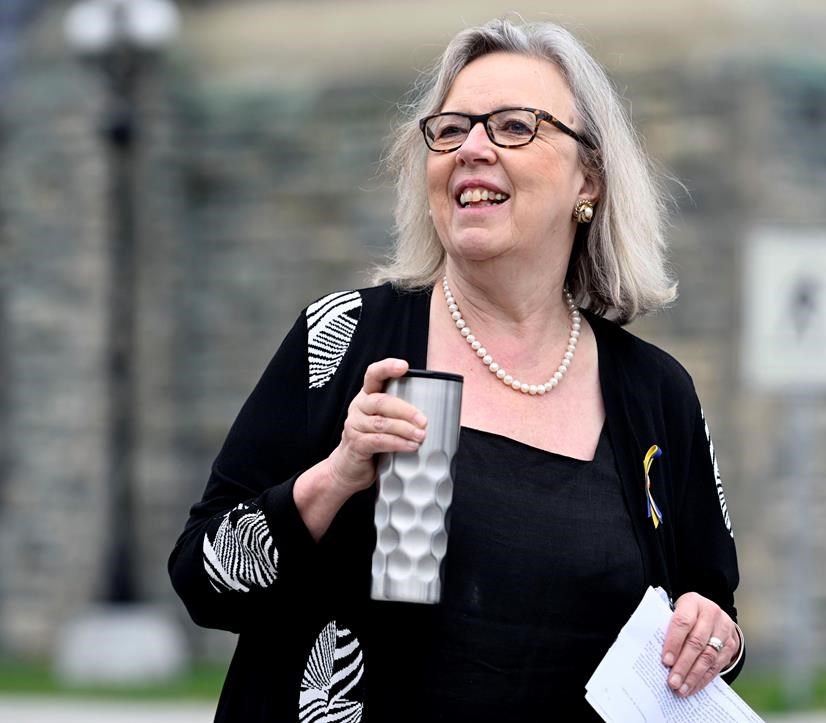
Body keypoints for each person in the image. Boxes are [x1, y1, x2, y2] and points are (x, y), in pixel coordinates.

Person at [169, 17, 745, 722]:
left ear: (588, 178)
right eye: (450, 130)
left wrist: (712, 633)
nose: (472, 148)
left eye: (514, 126)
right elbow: (201, 576)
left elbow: (713, 613)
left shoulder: (656, 394)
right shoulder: (345, 338)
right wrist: (334, 477)